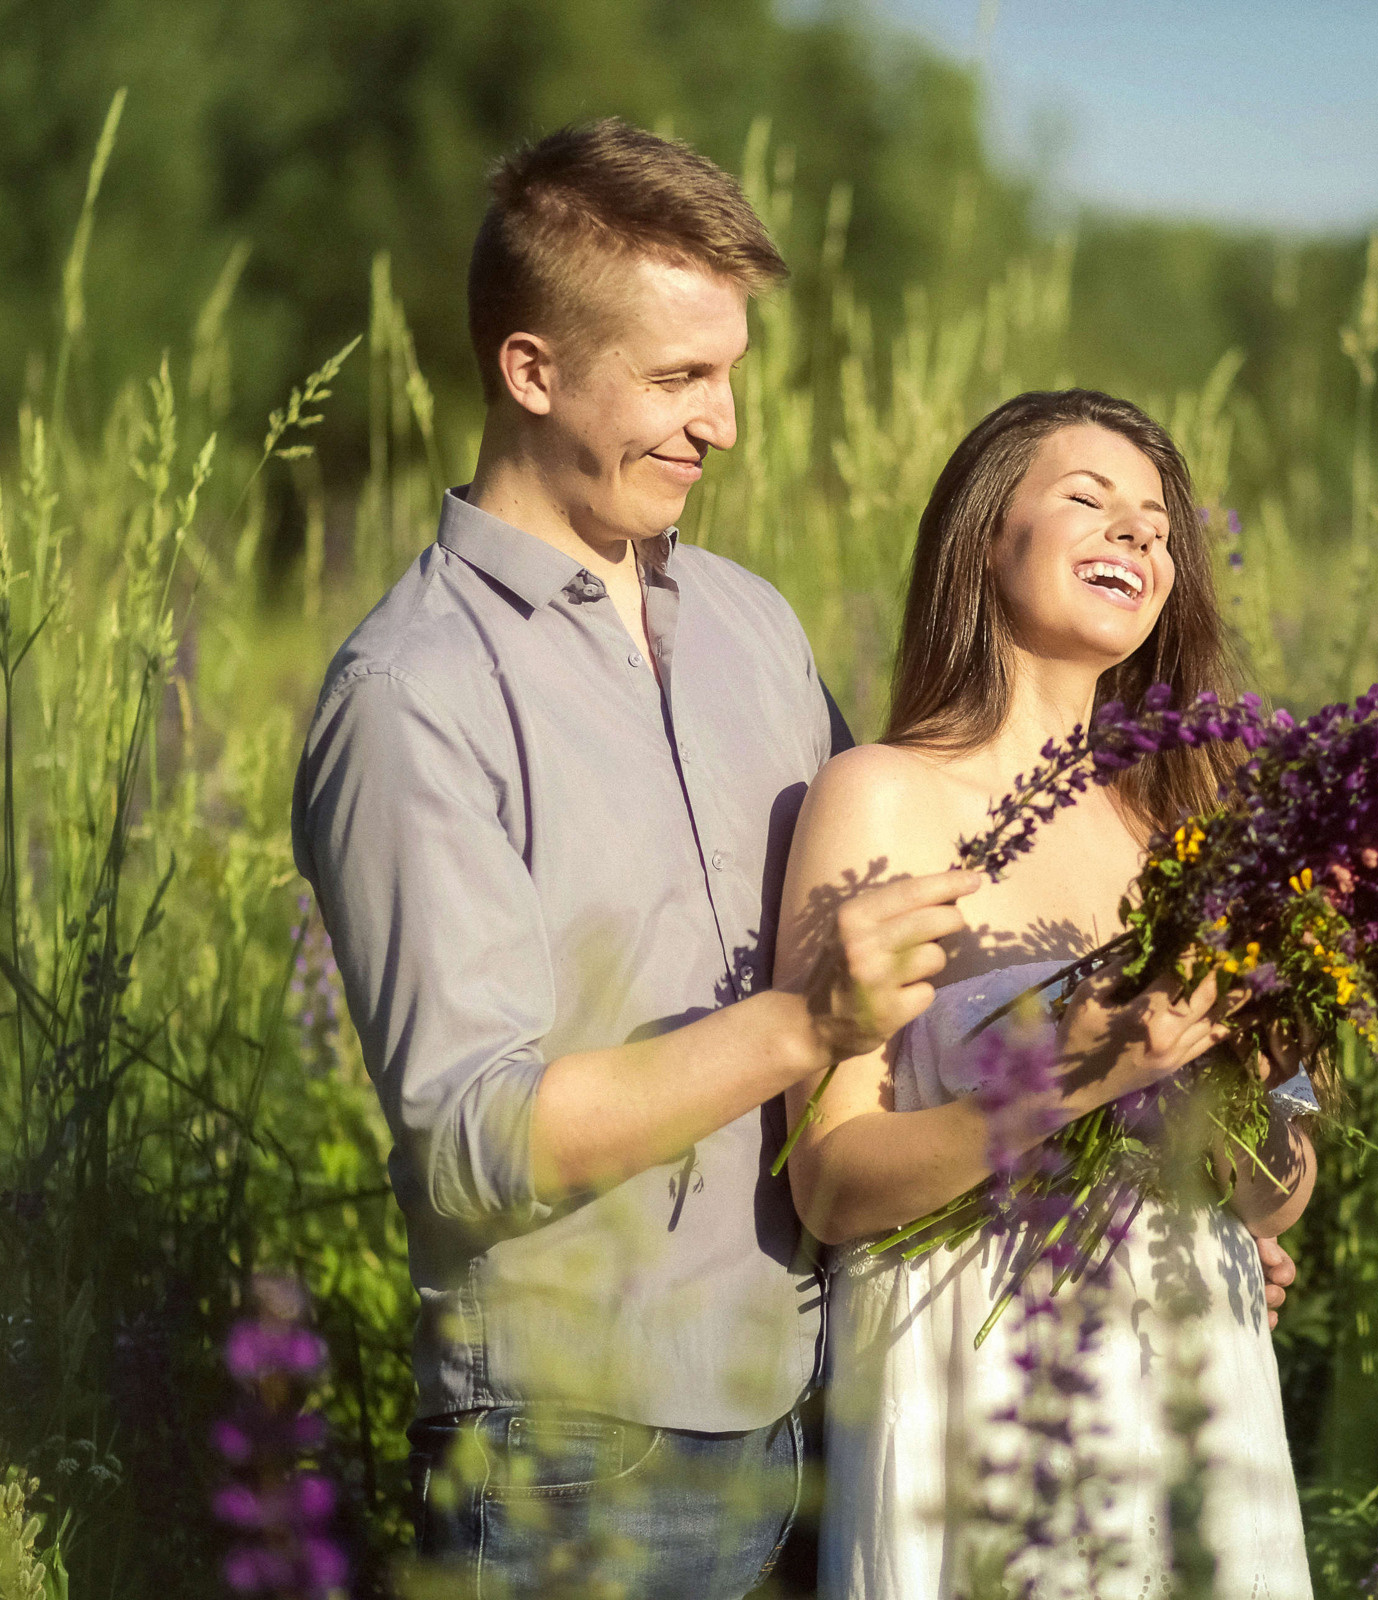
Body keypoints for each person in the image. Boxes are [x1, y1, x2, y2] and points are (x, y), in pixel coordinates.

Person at [291, 119, 988, 1597]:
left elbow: (894, 954)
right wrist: (799, 1023)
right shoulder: (414, 696)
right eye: (679, 378)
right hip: (573, 1457)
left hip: (823, 1399)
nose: (723, 422)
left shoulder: (753, 622)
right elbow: (473, 1149)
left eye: (727, 372)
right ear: (531, 370)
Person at [773, 389, 1318, 1598]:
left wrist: (1232, 1109)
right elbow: (828, 1176)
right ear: (983, 536)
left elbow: (1280, 1197)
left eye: (1159, 527)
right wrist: (1082, 1076)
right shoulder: (880, 796)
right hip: (970, 1383)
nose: (1138, 536)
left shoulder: (1212, 815)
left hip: (1195, 1363)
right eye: (1090, 501)